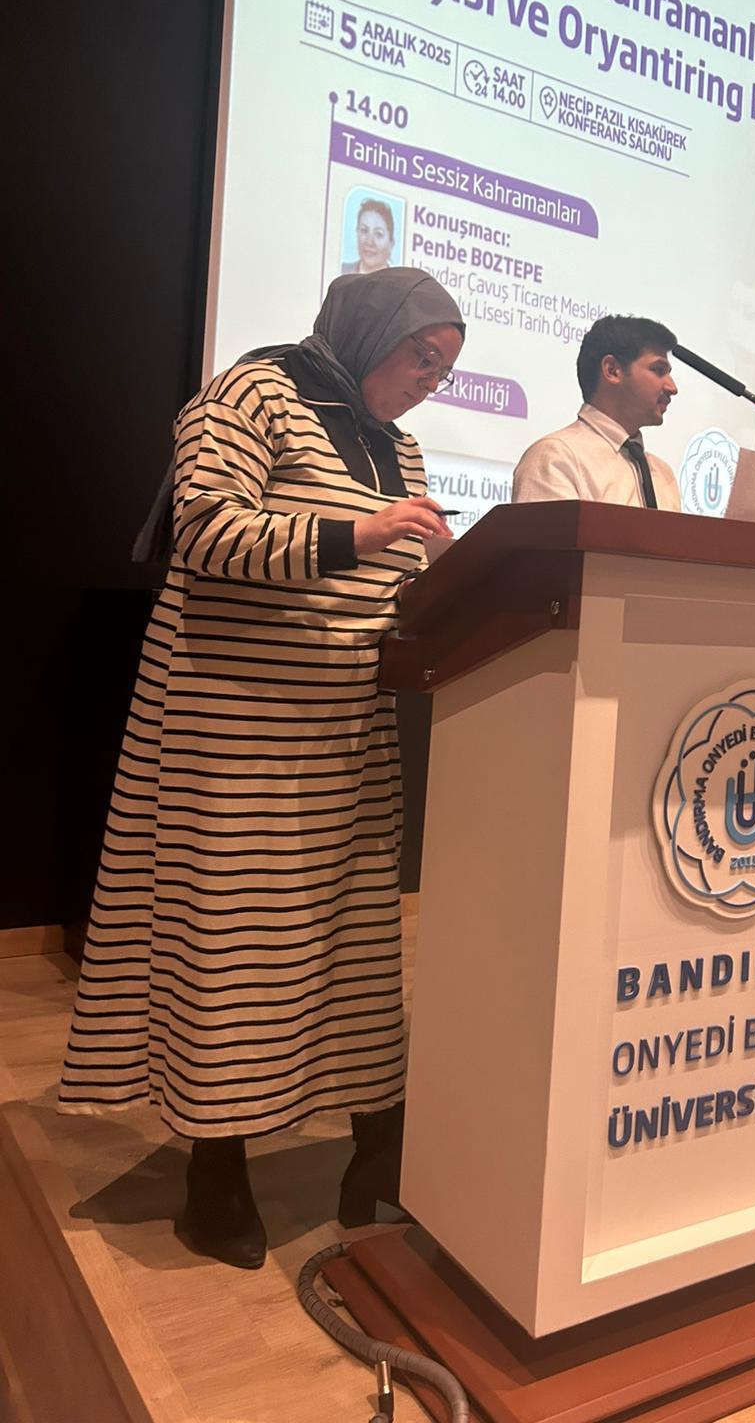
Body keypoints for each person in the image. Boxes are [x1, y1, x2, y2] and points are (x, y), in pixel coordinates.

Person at [59, 268, 464, 1270]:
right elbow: (203, 529)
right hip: (232, 728)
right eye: (424, 356)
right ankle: (217, 1167)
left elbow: (394, 573)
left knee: (357, 945)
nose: (432, 381)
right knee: (233, 948)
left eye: (446, 369)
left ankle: (379, 1152)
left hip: (349, 730)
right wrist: (365, 532)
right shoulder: (253, 392)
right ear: (371, 331)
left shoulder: (399, 446)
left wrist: (445, 583)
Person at [512, 315, 682, 509]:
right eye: (658, 370)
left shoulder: (663, 475)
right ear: (612, 370)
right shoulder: (556, 457)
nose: (672, 387)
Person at [342, 198, 397, 275]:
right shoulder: (341, 271)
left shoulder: (400, 282)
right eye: (364, 230)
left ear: (391, 243)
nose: (369, 242)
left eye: (378, 234)